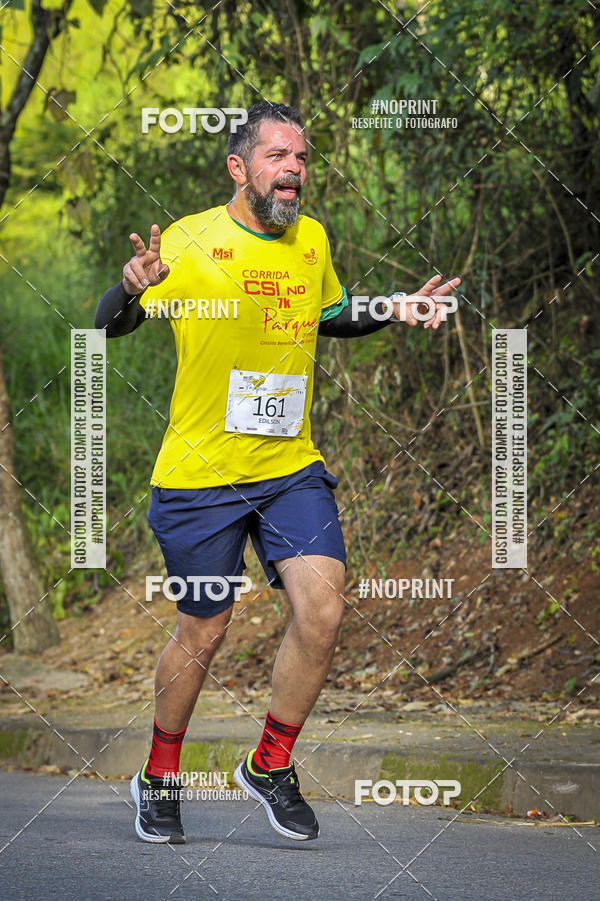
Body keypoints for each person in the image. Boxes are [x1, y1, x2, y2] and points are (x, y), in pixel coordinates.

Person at [95, 100, 460, 844]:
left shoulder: (311, 239)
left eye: (301, 158)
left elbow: (329, 313)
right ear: (240, 167)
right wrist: (132, 287)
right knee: (205, 627)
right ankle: (158, 774)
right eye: (277, 157)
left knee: (322, 606)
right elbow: (108, 323)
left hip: (290, 467)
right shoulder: (192, 241)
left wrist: (394, 305)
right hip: (201, 475)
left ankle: (269, 764)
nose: (293, 170)